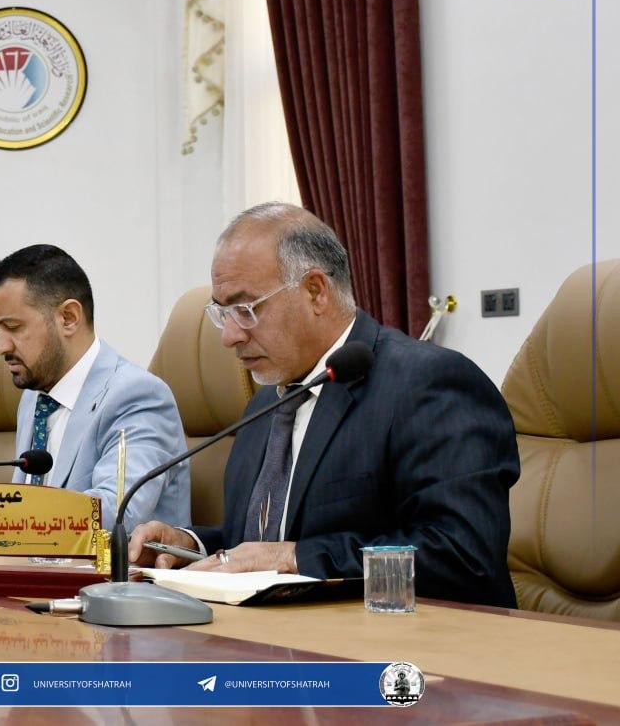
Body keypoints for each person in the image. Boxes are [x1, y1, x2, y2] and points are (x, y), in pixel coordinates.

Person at [129, 203, 520, 608]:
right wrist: (189, 545)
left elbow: (462, 553)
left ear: (315, 291)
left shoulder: (429, 383)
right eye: (223, 313)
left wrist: (294, 559)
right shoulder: (266, 404)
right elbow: (259, 546)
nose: (229, 336)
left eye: (245, 310)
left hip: (400, 640)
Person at [0, 244, 188, 530]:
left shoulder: (137, 396)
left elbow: (116, 513)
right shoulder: (34, 398)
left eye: (13, 327)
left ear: (68, 317)